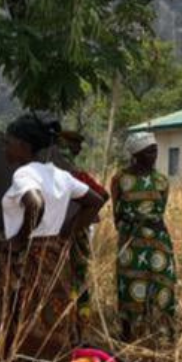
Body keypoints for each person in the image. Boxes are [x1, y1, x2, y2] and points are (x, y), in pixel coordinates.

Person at [0, 114, 106, 362]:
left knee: (21, 320)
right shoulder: (60, 174)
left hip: (28, 260)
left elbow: (34, 203)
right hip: (57, 258)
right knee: (53, 319)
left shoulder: (24, 173)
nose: (5, 149)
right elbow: (96, 200)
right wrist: (67, 232)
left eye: (9, 143)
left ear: (23, 145)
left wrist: (21, 238)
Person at [111, 132, 177, 342]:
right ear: (136, 153)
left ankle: (162, 335)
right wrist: (132, 226)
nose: (154, 154)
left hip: (159, 241)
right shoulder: (120, 179)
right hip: (131, 242)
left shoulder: (161, 180)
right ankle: (129, 335)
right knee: (130, 287)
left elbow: (160, 211)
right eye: (149, 150)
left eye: (155, 149)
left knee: (163, 286)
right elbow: (116, 214)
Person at [56, 131, 109, 327]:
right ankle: (78, 319)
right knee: (77, 276)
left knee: (74, 275)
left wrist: (77, 221)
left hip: (70, 233)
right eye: (75, 146)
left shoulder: (75, 174)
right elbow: (102, 195)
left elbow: (102, 195)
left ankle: (75, 320)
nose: (78, 150)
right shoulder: (75, 173)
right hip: (74, 231)